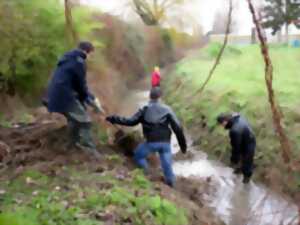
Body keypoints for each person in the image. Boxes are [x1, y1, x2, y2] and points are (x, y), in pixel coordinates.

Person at [106, 87, 187, 187]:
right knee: (167, 164)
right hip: (165, 143)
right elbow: (178, 128)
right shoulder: (167, 110)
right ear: (160, 97)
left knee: (138, 156)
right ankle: (171, 183)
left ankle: (148, 174)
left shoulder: (144, 109)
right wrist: (183, 146)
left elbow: (130, 122)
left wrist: (114, 118)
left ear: (150, 97)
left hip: (151, 142)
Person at [47, 41, 104, 155]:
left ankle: (72, 145)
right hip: (65, 96)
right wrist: (92, 102)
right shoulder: (79, 62)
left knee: (75, 120)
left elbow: (75, 86)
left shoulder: (68, 59)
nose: (90, 57)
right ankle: (88, 149)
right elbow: (81, 86)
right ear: (87, 51)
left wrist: (89, 99)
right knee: (85, 121)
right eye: (91, 54)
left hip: (55, 95)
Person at [217, 113, 256, 183]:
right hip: (247, 135)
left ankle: (246, 179)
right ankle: (240, 168)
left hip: (249, 142)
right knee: (242, 156)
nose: (222, 126)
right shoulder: (237, 116)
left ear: (225, 121)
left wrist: (233, 161)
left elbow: (236, 148)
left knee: (247, 161)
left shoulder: (234, 131)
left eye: (221, 124)